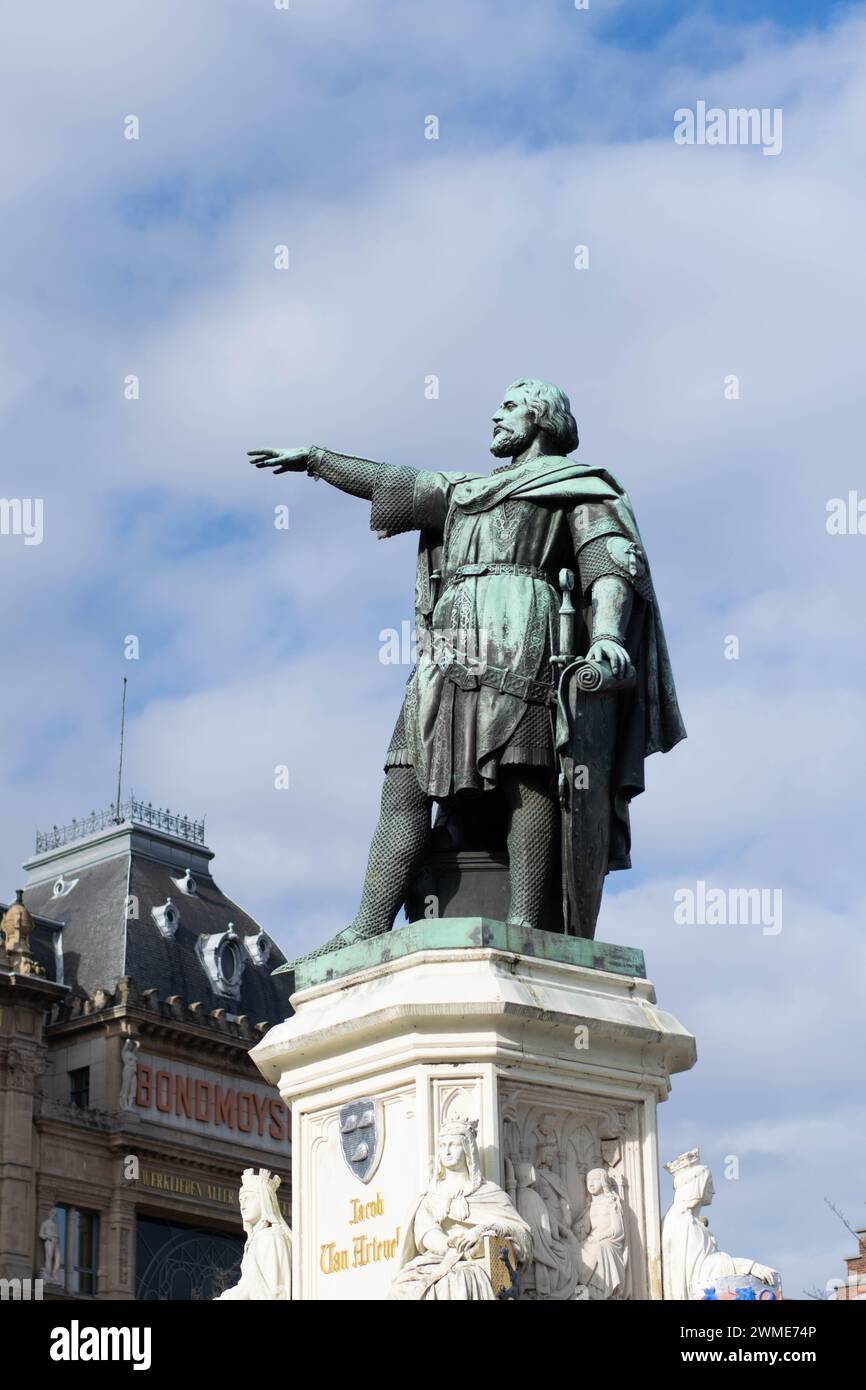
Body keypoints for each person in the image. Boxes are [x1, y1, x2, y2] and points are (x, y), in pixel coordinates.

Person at [389, 1118, 531, 1300]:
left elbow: (521, 1232)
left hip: (475, 1262)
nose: (446, 1151)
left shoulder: (490, 1193)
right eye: (442, 1145)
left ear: (467, 1149)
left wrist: (479, 1233)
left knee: (455, 1283)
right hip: (438, 1258)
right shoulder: (430, 1196)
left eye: (453, 1145)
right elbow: (427, 1233)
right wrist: (451, 1244)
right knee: (401, 1288)